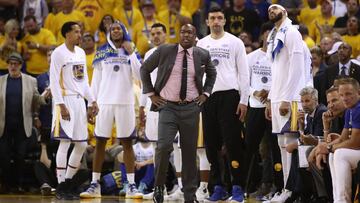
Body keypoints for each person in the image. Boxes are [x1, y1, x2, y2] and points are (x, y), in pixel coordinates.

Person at [140, 24, 216, 203]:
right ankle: (159, 186)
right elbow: (144, 69)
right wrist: (151, 94)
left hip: (191, 107)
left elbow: (212, 74)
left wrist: (205, 94)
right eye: (183, 32)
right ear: (179, 35)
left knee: (189, 152)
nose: (186, 35)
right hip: (168, 107)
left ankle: (189, 195)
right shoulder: (165, 50)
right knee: (163, 146)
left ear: (195, 36)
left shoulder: (202, 54)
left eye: (190, 32)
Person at [80, 21, 143, 199]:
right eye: (112, 29)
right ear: (109, 32)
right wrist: (91, 103)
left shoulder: (131, 49)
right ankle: (94, 184)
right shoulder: (102, 51)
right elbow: (96, 81)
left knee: (127, 143)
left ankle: (131, 184)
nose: (116, 31)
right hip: (104, 102)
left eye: (118, 28)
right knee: (100, 142)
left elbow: (139, 75)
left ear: (123, 32)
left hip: (126, 102)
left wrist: (131, 53)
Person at [196, 6, 250, 203]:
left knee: (233, 143)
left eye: (220, 18)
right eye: (213, 18)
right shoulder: (201, 44)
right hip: (208, 98)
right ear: (207, 22)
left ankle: (237, 187)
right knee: (211, 145)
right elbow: (196, 75)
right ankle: (218, 186)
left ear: (225, 21)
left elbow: (244, 73)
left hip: (230, 96)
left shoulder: (235, 42)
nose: (216, 21)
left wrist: (244, 100)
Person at [50, 21, 98, 200]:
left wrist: (92, 100)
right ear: (67, 34)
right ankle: (61, 183)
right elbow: (54, 81)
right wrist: (60, 105)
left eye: (80, 31)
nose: (80, 35)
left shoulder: (80, 52)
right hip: (65, 100)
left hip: (79, 102)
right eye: (76, 32)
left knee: (82, 144)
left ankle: (68, 182)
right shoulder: (58, 53)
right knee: (64, 142)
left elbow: (83, 81)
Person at [264, 4, 307, 200]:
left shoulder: (291, 32)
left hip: (291, 97)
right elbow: (275, 72)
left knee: (291, 142)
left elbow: (297, 68)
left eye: (276, 8)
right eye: (269, 10)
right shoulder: (273, 36)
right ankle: (286, 188)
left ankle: (293, 190)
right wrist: (271, 99)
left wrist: (286, 98)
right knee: (282, 143)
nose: (272, 11)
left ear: (286, 12)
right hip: (278, 96)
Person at [0, 52, 47, 193]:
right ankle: (7, 185)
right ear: (7, 65)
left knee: (21, 156)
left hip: (22, 125)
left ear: (21, 65)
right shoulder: (1, 80)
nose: (13, 66)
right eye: (10, 64)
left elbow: (37, 100)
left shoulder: (30, 80)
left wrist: (46, 96)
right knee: (4, 156)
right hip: (4, 125)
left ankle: (19, 185)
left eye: (16, 64)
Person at [315, 77, 360, 203]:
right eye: (342, 95)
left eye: (348, 94)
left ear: (359, 93)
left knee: (339, 153)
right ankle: (337, 199)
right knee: (332, 155)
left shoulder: (358, 109)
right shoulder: (350, 110)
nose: (345, 98)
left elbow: (355, 142)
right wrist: (324, 147)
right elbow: (343, 138)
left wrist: (328, 147)